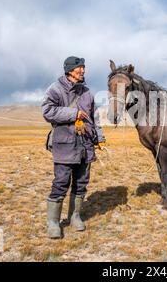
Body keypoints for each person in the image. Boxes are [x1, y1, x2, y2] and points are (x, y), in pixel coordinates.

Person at [41, 56, 105, 238]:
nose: (83, 71)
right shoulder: (56, 89)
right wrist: (73, 113)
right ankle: (53, 222)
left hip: (85, 146)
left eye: (83, 68)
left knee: (81, 183)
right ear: (70, 70)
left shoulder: (87, 93)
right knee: (61, 183)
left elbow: (95, 118)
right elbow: (46, 111)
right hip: (65, 145)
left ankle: (75, 216)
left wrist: (99, 138)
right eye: (79, 68)